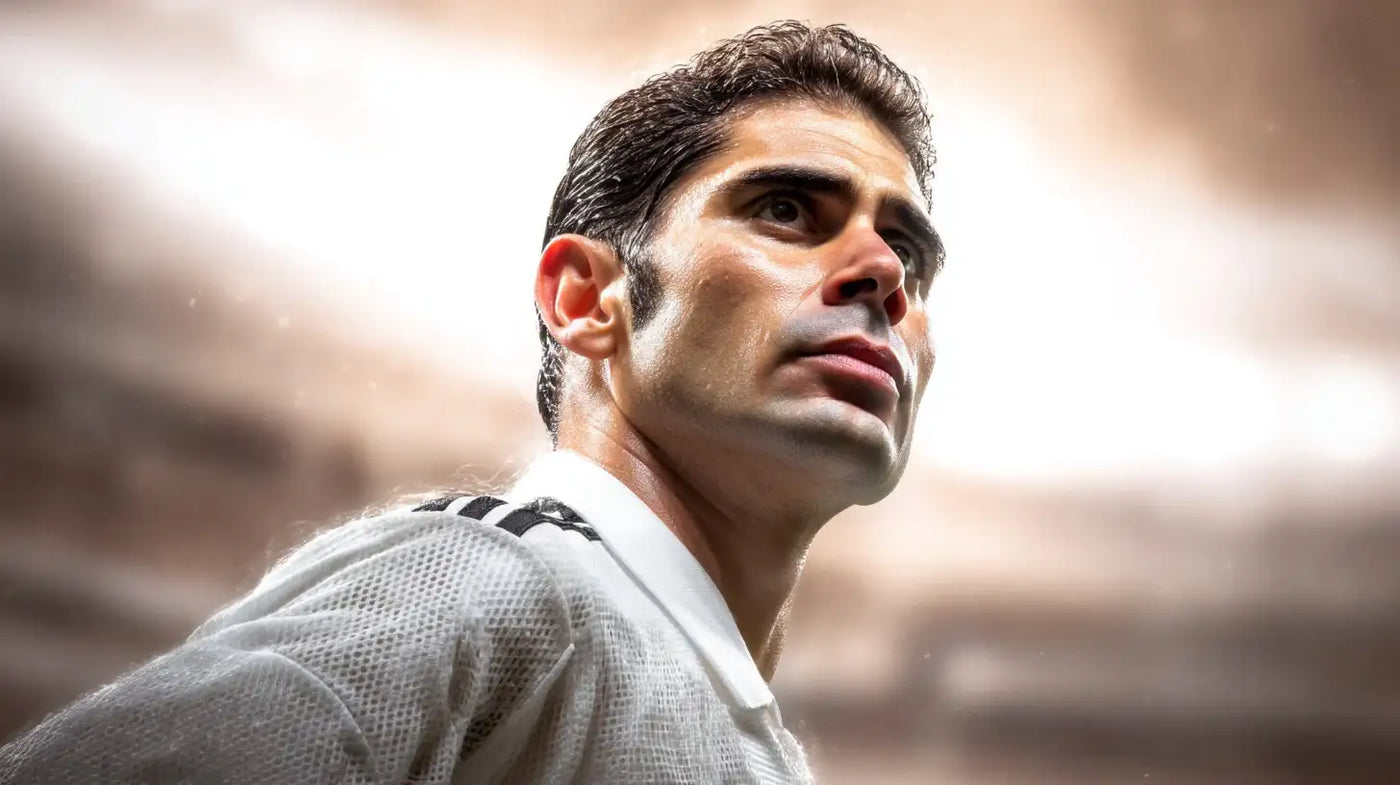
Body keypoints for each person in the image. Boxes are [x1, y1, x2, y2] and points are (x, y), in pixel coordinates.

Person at [0, 20, 942, 785]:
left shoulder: (746, 740)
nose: (880, 272)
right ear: (586, 299)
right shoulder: (491, 577)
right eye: (784, 209)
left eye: (909, 251)